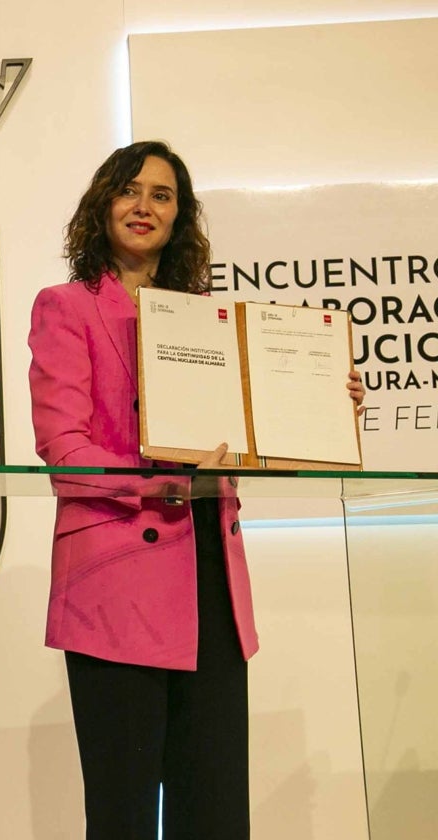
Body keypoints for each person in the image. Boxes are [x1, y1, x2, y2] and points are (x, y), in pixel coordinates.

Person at [27, 140, 365, 839]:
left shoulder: (209, 317)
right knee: (121, 814)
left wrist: (327, 410)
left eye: (162, 194)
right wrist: (163, 480)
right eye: (129, 190)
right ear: (102, 204)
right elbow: (65, 451)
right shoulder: (66, 307)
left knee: (213, 812)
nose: (144, 205)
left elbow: (255, 430)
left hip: (209, 578)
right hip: (118, 582)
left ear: (180, 216)